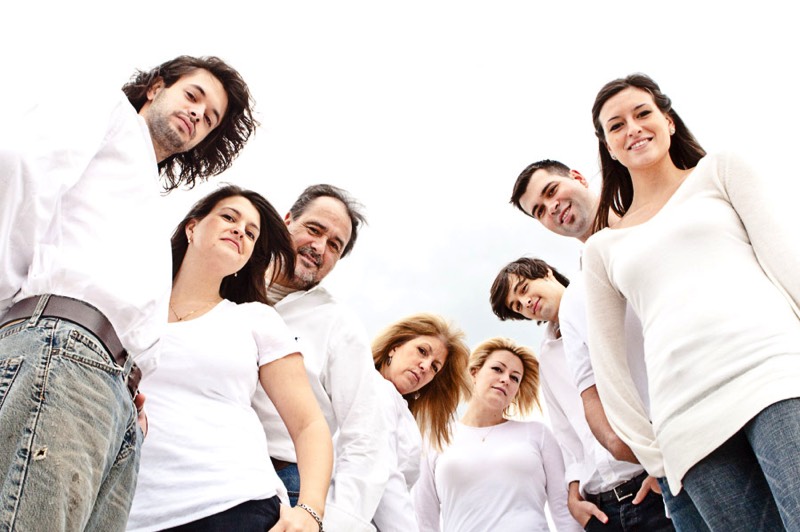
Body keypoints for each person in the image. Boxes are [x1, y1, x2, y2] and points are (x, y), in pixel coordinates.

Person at [0, 55, 255, 531]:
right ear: (156, 88)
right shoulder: (108, 111)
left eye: (211, 118)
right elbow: (19, 167)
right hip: (64, 354)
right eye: (193, 96)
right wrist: (10, 312)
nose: (199, 114)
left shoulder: (139, 191)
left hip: (115, 397)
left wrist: (131, 381)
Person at [583, 72, 800, 531]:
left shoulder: (720, 171)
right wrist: (652, 451)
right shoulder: (601, 248)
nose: (633, 128)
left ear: (668, 120)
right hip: (685, 419)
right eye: (616, 125)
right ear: (607, 145)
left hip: (773, 372)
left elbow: (787, 263)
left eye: (643, 114)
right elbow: (609, 365)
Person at [510, 160, 709, 532]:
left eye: (551, 191)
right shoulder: (578, 302)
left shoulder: (655, 225)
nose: (550, 208)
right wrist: (655, 462)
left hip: (725, 423)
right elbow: (587, 409)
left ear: (579, 177)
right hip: (656, 479)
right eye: (538, 210)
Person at [126, 185, 333, 532]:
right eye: (228, 217)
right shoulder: (130, 311)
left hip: (237, 506)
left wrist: (310, 512)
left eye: (251, 233)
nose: (240, 230)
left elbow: (309, 425)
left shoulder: (254, 319)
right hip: (131, 515)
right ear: (192, 227)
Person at [490, 257, 674, 532]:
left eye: (524, 289)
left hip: (652, 487)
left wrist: (663, 468)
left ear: (548, 273)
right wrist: (574, 494)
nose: (525, 303)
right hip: (603, 509)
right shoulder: (547, 359)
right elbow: (566, 434)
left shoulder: (604, 301)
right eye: (517, 306)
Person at [251, 184, 390, 532]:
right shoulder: (225, 286)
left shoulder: (338, 325)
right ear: (286, 221)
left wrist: (332, 521)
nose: (319, 248)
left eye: (334, 246)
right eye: (314, 230)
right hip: (195, 466)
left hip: (285, 488)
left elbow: (366, 434)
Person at [414, 336, 581, 532]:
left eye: (514, 377)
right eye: (497, 369)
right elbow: (424, 518)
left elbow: (564, 510)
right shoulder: (436, 437)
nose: (505, 379)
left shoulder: (537, 434)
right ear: (474, 372)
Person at [370, 313, 471, 532]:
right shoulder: (377, 390)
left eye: (435, 367)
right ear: (394, 347)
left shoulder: (401, 410)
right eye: (422, 351)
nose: (425, 366)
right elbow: (383, 475)